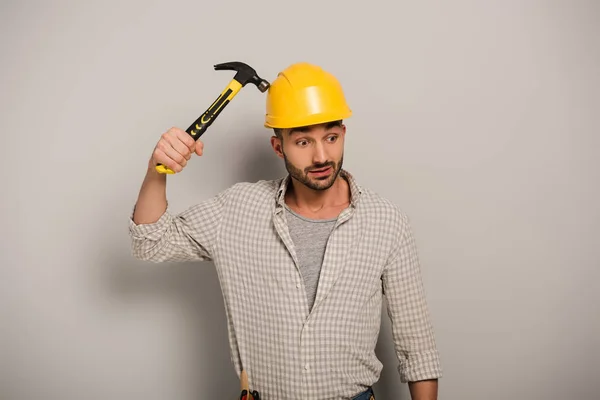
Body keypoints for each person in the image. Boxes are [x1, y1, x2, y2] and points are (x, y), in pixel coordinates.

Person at [129, 62, 442, 400]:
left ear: (343, 135)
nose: (322, 156)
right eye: (303, 142)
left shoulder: (386, 221)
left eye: (331, 138)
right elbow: (151, 242)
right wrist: (156, 171)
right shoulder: (238, 210)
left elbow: (417, 346)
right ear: (278, 147)